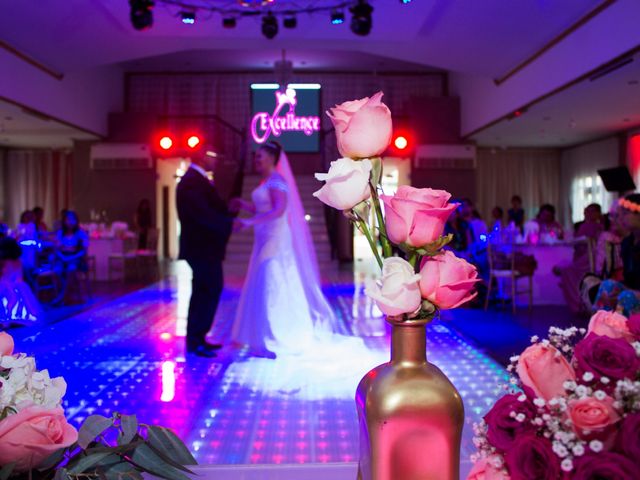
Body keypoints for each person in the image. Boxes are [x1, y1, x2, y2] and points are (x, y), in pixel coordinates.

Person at [229, 142, 339, 359]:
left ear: (271, 158)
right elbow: (263, 207)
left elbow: (279, 211)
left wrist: (249, 223)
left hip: (276, 239)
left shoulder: (278, 181)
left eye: (260, 157)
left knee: (271, 280)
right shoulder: (266, 181)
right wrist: (244, 204)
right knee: (261, 281)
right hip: (263, 238)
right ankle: (258, 335)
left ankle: (273, 335)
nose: (256, 161)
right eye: (255, 157)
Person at [176, 147, 233, 358]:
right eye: (213, 156)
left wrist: (228, 213)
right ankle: (196, 339)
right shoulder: (192, 181)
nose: (216, 160)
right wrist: (228, 224)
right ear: (202, 157)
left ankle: (198, 338)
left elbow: (210, 210)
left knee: (205, 290)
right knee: (207, 290)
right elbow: (202, 215)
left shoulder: (197, 180)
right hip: (201, 247)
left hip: (204, 247)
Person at [593, 193, 640, 316]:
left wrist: (629, 293)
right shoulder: (627, 243)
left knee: (627, 296)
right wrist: (617, 293)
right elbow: (630, 279)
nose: (621, 218)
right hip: (633, 291)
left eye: (625, 213)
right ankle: (601, 331)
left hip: (635, 294)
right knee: (607, 285)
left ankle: (625, 333)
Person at [53, 210, 89, 304]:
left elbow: (83, 251)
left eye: (72, 220)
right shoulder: (60, 233)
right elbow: (56, 249)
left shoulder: (80, 233)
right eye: (67, 220)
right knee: (57, 271)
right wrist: (63, 257)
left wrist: (71, 258)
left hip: (76, 259)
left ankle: (64, 297)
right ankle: (63, 295)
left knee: (71, 269)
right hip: (62, 258)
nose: (70, 222)